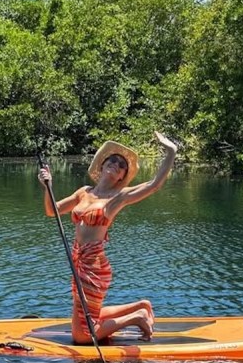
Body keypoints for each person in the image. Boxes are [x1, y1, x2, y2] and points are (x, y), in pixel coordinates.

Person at [37, 132, 179, 343]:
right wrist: (47, 186)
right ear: (102, 165)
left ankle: (137, 317)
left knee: (83, 336)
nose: (116, 164)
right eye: (112, 160)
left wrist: (171, 152)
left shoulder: (118, 197)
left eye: (122, 165)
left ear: (122, 176)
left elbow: (154, 185)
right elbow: (52, 211)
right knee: (88, 315)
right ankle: (141, 306)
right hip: (79, 261)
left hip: (94, 266)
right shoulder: (84, 192)